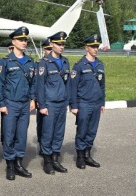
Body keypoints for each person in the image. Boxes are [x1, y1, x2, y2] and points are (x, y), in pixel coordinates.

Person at [0, 26, 36, 181]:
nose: (24, 42)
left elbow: (33, 82)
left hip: (25, 104)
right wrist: (1, 103)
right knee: (9, 134)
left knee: (21, 134)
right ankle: (10, 165)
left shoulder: (30, 61)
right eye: (21, 39)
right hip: (10, 103)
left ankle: (19, 163)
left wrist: (33, 98)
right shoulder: (5, 61)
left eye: (25, 40)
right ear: (13, 41)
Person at [35, 31, 70, 175]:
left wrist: (68, 101)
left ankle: (56, 159)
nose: (61, 47)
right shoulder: (44, 63)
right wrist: (42, 105)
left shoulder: (66, 61)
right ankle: (47, 161)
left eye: (63, 44)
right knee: (48, 133)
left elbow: (68, 83)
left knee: (59, 133)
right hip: (49, 103)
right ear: (51, 44)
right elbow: (40, 86)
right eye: (58, 44)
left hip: (62, 103)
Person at [70, 34, 106, 168]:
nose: (96, 49)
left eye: (97, 47)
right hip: (84, 103)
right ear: (87, 48)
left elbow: (102, 86)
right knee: (82, 130)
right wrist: (74, 106)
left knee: (92, 130)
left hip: (96, 103)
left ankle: (87, 155)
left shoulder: (100, 65)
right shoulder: (79, 66)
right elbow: (72, 87)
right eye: (93, 47)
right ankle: (80, 157)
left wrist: (102, 103)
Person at [36, 37, 52, 155]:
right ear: (44, 50)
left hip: (51, 99)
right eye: (48, 49)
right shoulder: (40, 64)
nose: (49, 51)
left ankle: (49, 146)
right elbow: (38, 84)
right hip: (41, 99)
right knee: (42, 123)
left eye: (51, 48)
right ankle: (42, 144)